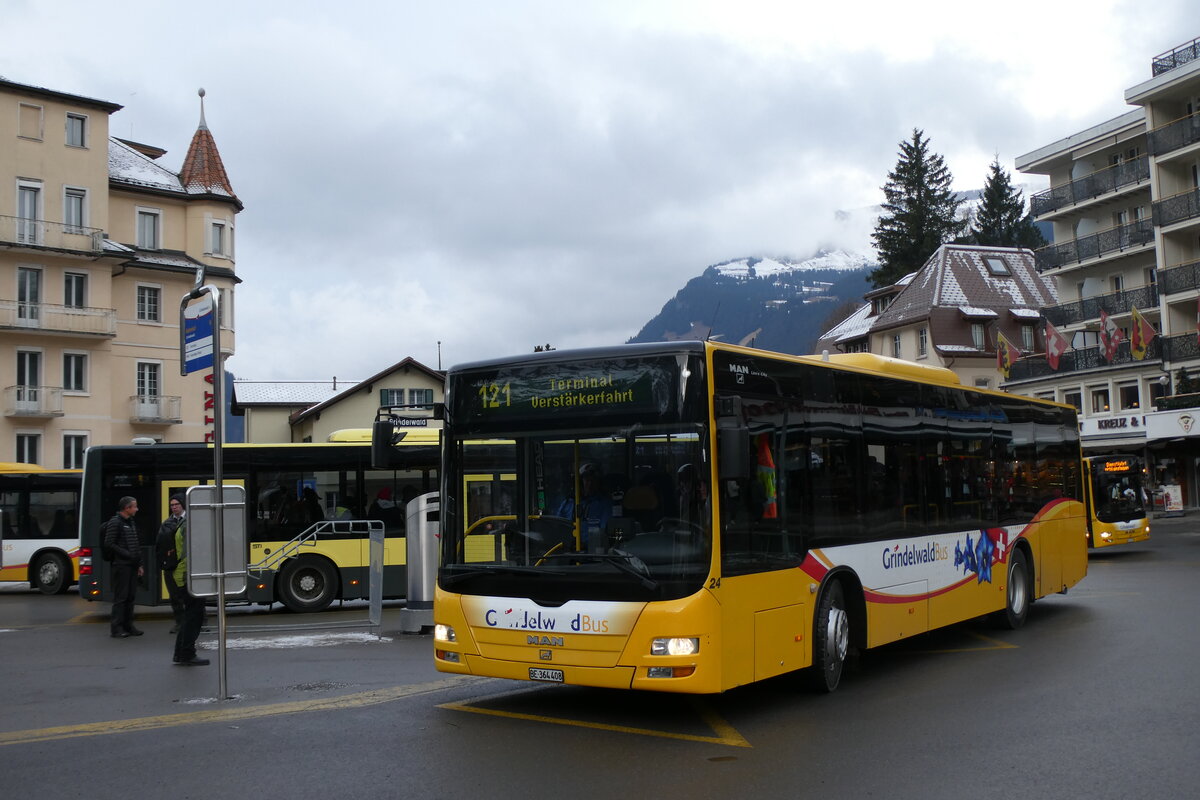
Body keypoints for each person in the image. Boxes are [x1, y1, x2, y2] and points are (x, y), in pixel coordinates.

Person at [103, 496, 144, 638]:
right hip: (121, 566)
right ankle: (116, 628)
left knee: (130, 597)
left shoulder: (130, 522)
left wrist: (139, 564)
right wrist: (127, 554)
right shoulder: (115, 522)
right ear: (127, 508)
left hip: (132, 565)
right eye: (135, 506)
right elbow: (109, 543)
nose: (137, 509)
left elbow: (135, 544)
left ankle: (128, 625)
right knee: (121, 598)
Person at [172, 516, 209, 666]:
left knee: (190, 615)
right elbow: (191, 553)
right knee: (194, 616)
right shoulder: (189, 526)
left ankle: (180, 653)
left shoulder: (184, 523)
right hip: (189, 575)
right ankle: (187, 653)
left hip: (187, 574)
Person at [155, 495, 187, 634]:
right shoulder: (167, 523)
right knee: (175, 597)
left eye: (176, 504)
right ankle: (179, 623)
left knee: (191, 597)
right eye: (172, 505)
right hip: (171, 565)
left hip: (186, 566)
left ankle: (199, 622)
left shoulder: (190, 521)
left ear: (183, 505)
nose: (174, 507)